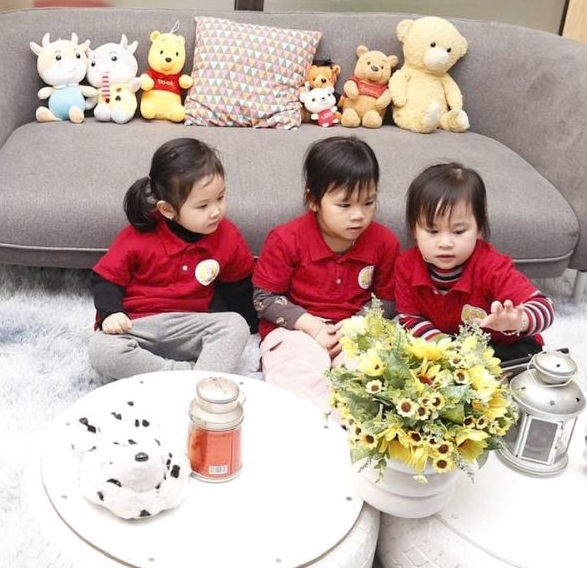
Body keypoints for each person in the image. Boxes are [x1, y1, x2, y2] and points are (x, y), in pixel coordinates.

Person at [88, 138, 256, 382]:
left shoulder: (228, 236)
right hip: (139, 326)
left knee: (236, 325)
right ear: (168, 210)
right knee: (101, 349)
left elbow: (238, 285)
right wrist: (111, 313)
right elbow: (105, 279)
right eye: (202, 206)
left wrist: (254, 323)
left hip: (191, 326)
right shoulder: (138, 236)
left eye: (220, 198)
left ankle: (187, 378)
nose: (216, 211)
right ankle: (187, 378)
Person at [251, 138, 401, 411]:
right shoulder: (286, 239)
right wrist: (311, 326)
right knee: (296, 379)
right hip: (297, 330)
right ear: (313, 200)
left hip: (356, 330)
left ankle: (349, 425)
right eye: (344, 205)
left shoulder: (384, 242)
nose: (358, 215)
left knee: (371, 382)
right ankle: (314, 422)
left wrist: (359, 323)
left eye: (368, 203)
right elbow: (264, 298)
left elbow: (389, 299)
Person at [392, 162, 554, 368]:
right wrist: (445, 348)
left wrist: (518, 321)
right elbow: (410, 317)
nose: (445, 243)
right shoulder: (406, 266)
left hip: (503, 345)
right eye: (432, 231)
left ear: (479, 227)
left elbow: (545, 306)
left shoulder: (492, 266)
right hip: (447, 343)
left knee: (523, 373)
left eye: (458, 231)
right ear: (414, 228)